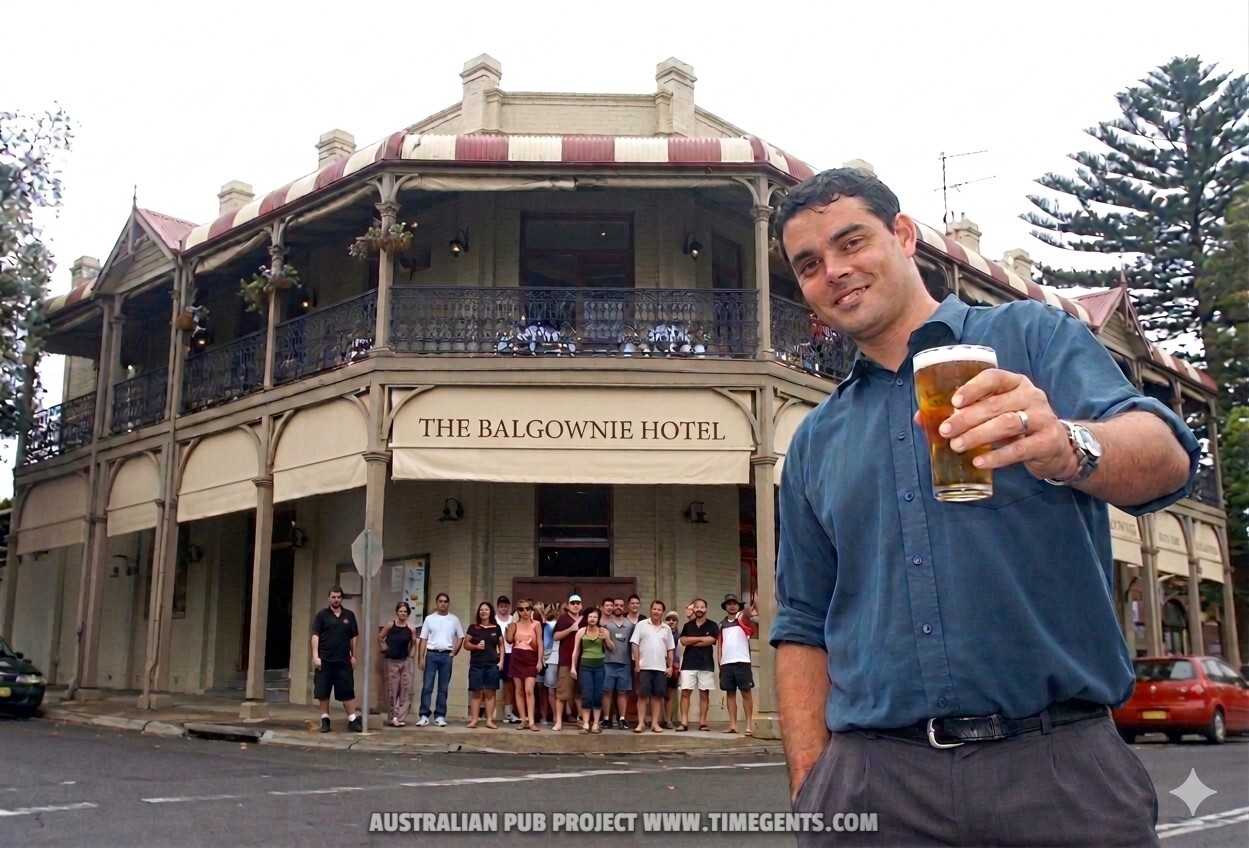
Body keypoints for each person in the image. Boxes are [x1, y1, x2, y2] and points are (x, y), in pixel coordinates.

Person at [769, 167, 1198, 847]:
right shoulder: (815, 441)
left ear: (903, 235)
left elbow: (1165, 457)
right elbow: (801, 622)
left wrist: (1066, 446)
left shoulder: (1029, 339)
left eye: (851, 243)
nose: (835, 271)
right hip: (874, 786)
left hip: (1057, 772)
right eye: (810, 264)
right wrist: (812, 786)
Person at [311, 586, 361, 733]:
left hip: (343, 661)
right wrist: (315, 656)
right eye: (333, 597)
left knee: (347, 690)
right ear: (329, 598)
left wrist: (353, 655)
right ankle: (325, 720)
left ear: (341, 598)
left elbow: (354, 637)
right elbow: (315, 636)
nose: (336, 599)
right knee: (323, 691)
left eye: (338, 597)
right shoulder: (322, 615)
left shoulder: (349, 615)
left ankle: (352, 719)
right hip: (325, 660)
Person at [416, 593, 464, 728]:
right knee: (427, 687)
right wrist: (421, 658)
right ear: (436, 603)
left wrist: (454, 652)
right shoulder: (429, 619)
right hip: (431, 655)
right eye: (440, 601)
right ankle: (424, 715)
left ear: (448, 603)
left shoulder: (454, 619)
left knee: (443, 688)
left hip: (446, 656)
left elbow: (461, 637)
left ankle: (440, 715)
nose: (443, 603)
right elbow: (423, 638)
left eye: (445, 601)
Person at [629, 600, 675, 733]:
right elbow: (634, 644)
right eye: (654, 609)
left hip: (660, 668)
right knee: (642, 695)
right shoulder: (641, 625)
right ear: (650, 610)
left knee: (657, 696)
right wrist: (637, 663)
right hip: (644, 667)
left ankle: (655, 723)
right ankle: (641, 723)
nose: (656, 612)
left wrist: (670, 666)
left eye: (659, 610)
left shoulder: (666, 628)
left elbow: (670, 649)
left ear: (662, 612)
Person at [718, 594, 756, 735]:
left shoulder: (743, 619)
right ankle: (733, 725)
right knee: (730, 693)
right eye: (729, 603)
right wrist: (719, 662)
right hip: (726, 662)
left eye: (734, 603)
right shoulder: (722, 624)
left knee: (746, 692)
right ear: (725, 606)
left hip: (743, 661)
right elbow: (720, 644)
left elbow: (747, 613)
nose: (732, 606)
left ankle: (748, 725)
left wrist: (754, 599)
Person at [570, 607, 613, 733]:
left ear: (598, 618)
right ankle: (585, 724)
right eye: (590, 616)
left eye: (594, 617)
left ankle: (595, 724)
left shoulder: (603, 631)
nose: (592, 619)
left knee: (597, 695)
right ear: (587, 618)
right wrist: (573, 666)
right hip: (585, 666)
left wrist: (607, 639)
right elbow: (576, 651)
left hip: (599, 666)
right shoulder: (581, 632)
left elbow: (611, 648)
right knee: (587, 695)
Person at [678, 599, 717, 732]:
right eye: (697, 607)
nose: (699, 609)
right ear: (693, 609)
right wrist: (701, 638)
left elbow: (711, 640)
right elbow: (683, 641)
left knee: (704, 695)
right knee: (685, 693)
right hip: (688, 664)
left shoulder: (712, 625)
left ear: (706, 609)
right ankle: (684, 722)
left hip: (706, 665)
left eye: (702, 607)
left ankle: (703, 722)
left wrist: (692, 640)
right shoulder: (688, 625)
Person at [464, 601, 504, 729]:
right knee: (476, 692)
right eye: (481, 610)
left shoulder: (496, 628)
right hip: (476, 664)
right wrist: (476, 646)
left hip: (492, 665)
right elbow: (466, 644)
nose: (483, 612)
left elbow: (501, 645)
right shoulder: (473, 627)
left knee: (490, 692)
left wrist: (501, 661)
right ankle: (474, 720)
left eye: (486, 609)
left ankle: (490, 720)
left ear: (490, 612)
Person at [377, 601, 417, 727]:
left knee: (406, 688)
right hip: (391, 660)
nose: (403, 613)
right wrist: (384, 648)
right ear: (397, 612)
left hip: (404, 660)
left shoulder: (411, 628)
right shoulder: (390, 625)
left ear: (408, 613)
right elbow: (380, 637)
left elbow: (414, 643)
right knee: (392, 689)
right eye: (400, 611)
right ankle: (393, 716)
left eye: (405, 611)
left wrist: (411, 656)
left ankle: (400, 716)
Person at [506, 599, 544, 730]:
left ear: (531, 609)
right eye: (521, 609)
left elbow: (540, 642)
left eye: (527, 608)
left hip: (531, 657)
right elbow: (509, 640)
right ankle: (523, 719)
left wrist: (540, 660)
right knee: (519, 690)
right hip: (517, 656)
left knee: (529, 689)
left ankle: (532, 721)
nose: (525, 611)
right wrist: (510, 628)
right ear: (518, 611)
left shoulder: (537, 624)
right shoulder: (515, 624)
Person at [552, 594, 585, 731]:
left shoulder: (585, 619)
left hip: (583, 661)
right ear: (568, 605)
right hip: (566, 660)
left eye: (578, 603)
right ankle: (559, 721)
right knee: (562, 693)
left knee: (580, 693)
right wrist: (570, 629)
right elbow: (555, 636)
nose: (576, 605)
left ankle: (582, 719)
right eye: (573, 603)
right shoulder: (563, 619)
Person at [601, 598, 635, 730]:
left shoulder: (630, 625)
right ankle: (606, 719)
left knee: (622, 692)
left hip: (624, 664)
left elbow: (633, 645)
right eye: (616, 605)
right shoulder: (606, 625)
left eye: (621, 605)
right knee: (607, 691)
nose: (618, 607)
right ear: (612, 607)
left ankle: (622, 719)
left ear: (624, 607)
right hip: (608, 662)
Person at [495, 595, 520, 724]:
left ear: (509, 607)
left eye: (505, 606)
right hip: (495, 654)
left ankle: (508, 712)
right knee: (490, 683)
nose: (503, 608)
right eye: (501, 606)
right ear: (497, 607)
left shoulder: (513, 619)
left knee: (509, 683)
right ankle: (489, 713)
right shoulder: (493, 620)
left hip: (511, 653)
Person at [663, 609, 683, 729]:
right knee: (658, 694)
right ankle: (658, 719)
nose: (671, 622)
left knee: (670, 694)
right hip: (660, 666)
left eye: (673, 620)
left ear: (677, 622)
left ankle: (668, 720)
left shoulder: (680, 636)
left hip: (674, 667)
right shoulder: (661, 633)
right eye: (669, 619)